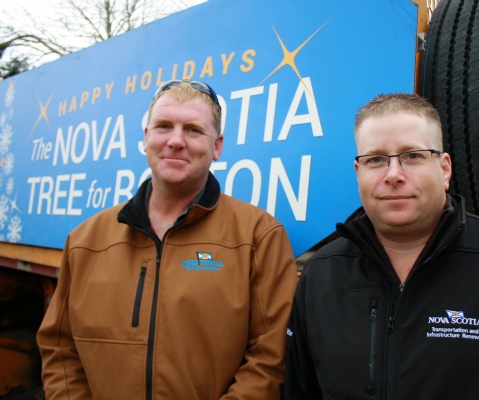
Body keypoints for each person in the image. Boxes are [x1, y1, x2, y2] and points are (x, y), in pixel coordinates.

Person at [283, 93, 479, 399]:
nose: (394, 175)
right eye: (376, 159)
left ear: (445, 168)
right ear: (359, 173)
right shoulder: (322, 275)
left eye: (412, 155)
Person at [37, 80, 297, 399]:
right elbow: (59, 349)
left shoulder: (259, 236)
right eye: (163, 126)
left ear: (217, 146)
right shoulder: (85, 241)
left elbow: (270, 358)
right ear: (146, 138)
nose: (176, 141)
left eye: (192, 130)